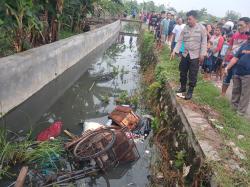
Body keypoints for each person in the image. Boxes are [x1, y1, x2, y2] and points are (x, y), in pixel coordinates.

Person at [171, 10, 207, 100]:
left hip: (195, 55)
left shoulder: (202, 28)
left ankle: (190, 91)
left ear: (195, 19)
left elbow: (204, 42)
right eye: (187, 19)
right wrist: (174, 50)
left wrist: (202, 54)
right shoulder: (185, 28)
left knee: (193, 74)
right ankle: (183, 87)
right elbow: (180, 40)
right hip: (185, 54)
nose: (188, 21)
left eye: (190, 19)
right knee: (182, 71)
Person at [221, 17, 249, 95]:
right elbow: (230, 48)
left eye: (241, 25)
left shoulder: (248, 37)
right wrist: (224, 60)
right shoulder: (235, 35)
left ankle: (236, 102)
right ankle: (222, 94)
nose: (239, 27)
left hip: (241, 63)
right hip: (230, 60)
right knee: (226, 78)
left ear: (247, 25)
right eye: (238, 25)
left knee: (237, 82)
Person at [224, 31, 250, 115]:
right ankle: (233, 107)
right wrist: (227, 67)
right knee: (236, 90)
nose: (248, 35)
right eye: (248, 34)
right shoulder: (244, 45)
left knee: (245, 93)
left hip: (248, 73)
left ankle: (240, 112)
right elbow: (235, 58)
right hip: (238, 71)